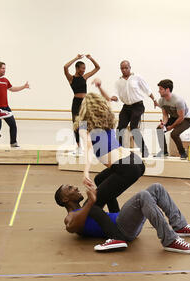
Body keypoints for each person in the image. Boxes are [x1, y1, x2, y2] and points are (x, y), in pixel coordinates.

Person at [55, 181, 190, 253]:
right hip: (122, 229)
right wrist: (91, 202)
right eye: (70, 188)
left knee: (156, 188)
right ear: (65, 200)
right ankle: (169, 240)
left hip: (126, 222)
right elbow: (73, 227)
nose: (75, 187)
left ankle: (180, 226)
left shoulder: (87, 208)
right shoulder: (71, 217)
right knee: (143, 196)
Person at [74, 81, 145, 213]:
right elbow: (107, 100)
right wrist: (100, 87)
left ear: (84, 108)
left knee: (91, 207)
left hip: (126, 168)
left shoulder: (84, 125)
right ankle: (115, 214)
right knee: (100, 180)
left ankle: (116, 228)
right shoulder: (107, 118)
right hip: (135, 161)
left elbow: (88, 147)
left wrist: (85, 172)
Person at [109, 60, 158, 158]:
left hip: (138, 106)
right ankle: (120, 150)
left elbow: (147, 89)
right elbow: (116, 94)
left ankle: (145, 151)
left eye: (126, 68)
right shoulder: (118, 82)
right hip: (126, 107)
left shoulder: (137, 78)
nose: (124, 70)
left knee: (133, 128)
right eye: (122, 68)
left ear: (130, 68)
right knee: (120, 128)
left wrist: (154, 99)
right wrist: (113, 98)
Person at [0, 61, 30, 148]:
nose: (4, 70)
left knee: (13, 125)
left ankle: (13, 143)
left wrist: (23, 87)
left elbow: (12, 89)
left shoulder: (5, 80)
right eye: (3, 68)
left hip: (5, 107)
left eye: (5, 68)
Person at [64, 54, 100, 155]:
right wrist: (76, 58)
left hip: (85, 103)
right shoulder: (71, 78)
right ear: (77, 68)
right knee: (76, 125)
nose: (84, 70)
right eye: (82, 68)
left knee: (84, 125)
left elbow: (97, 67)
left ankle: (85, 146)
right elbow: (65, 67)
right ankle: (79, 146)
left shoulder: (84, 77)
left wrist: (91, 58)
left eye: (85, 69)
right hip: (76, 102)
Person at [155, 79, 190, 159]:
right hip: (174, 117)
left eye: (161, 89)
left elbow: (181, 117)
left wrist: (171, 127)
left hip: (186, 119)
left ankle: (183, 153)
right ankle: (164, 152)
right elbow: (165, 116)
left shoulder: (178, 101)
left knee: (174, 134)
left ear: (167, 89)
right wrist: (164, 124)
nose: (159, 91)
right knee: (159, 129)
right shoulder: (161, 101)